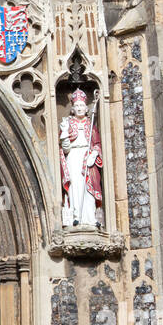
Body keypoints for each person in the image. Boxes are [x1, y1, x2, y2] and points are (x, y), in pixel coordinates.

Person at [59, 88, 103, 227]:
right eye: (77, 105)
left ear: (86, 108)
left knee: (88, 187)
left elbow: (97, 144)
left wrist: (94, 154)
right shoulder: (67, 123)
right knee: (75, 186)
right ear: (73, 108)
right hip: (73, 157)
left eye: (82, 106)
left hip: (87, 157)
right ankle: (76, 216)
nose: (79, 108)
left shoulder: (91, 126)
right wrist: (65, 132)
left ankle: (90, 217)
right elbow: (65, 148)